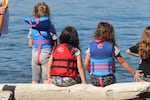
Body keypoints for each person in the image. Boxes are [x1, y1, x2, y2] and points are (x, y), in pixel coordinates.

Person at [84, 22, 140, 87]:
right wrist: (134, 72)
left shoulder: (91, 47)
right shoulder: (113, 47)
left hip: (94, 79)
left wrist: (91, 72)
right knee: (112, 78)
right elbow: (122, 62)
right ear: (110, 34)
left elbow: (85, 63)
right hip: (108, 79)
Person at [24, 2, 57, 84]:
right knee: (46, 78)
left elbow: (30, 44)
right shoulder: (50, 26)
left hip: (35, 55)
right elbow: (55, 42)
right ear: (48, 14)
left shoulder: (32, 28)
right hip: (46, 55)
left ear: (35, 14)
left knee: (35, 79)